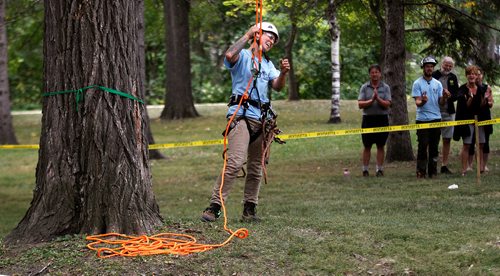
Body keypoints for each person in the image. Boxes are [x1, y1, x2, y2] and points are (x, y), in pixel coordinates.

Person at [201, 22, 290, 222]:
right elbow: (229, 56)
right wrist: (247, 34)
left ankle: (249, 210)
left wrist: (283, 74)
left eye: (274, 40)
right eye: (269, 36)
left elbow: (277, 87)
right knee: (234, 162)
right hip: (241, 115)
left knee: (256, 167)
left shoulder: (268, 64)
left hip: (262, 119)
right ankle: (215, 206)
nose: (272, 41)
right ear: (258, 34)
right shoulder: (243, 57)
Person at [412, 56, 447, 178]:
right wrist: (423, 101)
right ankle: (421, 171)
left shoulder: (438, 84)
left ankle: (433, 171)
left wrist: (445, 97)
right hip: (422, 119)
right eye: (427, 66)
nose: (429, 68)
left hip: (436, 118)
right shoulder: (417, 83)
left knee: (434, 146)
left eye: (431, 66)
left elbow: (441, 103)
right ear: (423, 68)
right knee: (422, 145)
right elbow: (417, 102)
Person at [453, 65, 489, 175]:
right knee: (467, 145)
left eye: (474, 73)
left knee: (481, 144)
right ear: (466, 76)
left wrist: (485, 99)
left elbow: (483, 105)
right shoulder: (462, 89)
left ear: (476, 76)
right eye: (469, 74)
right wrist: (469, 98)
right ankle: (464, 169)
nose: (472, 76)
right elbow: (464, 106)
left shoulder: (482, 88)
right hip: (467, 120)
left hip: (480, 119)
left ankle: (481, 167)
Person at [357, 64, 392, 177]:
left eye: (376, 72)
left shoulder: (385, 87)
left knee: (380, 145)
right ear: (369, 74)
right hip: (368, 119)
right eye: (372, 72)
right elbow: (360, 104)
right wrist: (372, 100)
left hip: (382, 119)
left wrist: (378, 99)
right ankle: (365, 170)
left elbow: (388, 104)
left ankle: (379, 170)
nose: (374, 74)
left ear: (380, 74)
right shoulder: (364, 87)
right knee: (367, 145)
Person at [432, 56, 459, 174]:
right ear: (441, 64)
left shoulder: (453, 77)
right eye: (446, 65)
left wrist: (449, 96)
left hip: (449, 111)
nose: (447, 67)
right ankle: (432, 163)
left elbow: (456, 94)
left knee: (447, 139)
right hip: (434, 111)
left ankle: (444, 165)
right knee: (433, 138)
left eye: (450, 66)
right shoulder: (434, 75)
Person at [466, 67, 494, 173]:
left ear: (482, 75)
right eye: (475, 74)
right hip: (471, 117)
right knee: (470, 141)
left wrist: (487, 100)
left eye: (479, 74)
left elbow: (491, 104)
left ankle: (484, 165)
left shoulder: (487, 88)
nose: (477, 76)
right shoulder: (469, 87)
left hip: (485, 117)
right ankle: (469, 165)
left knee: (485, 142)